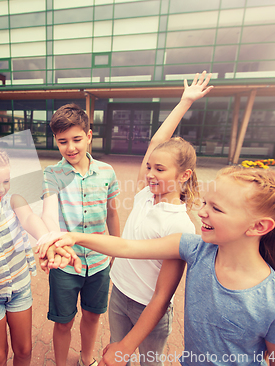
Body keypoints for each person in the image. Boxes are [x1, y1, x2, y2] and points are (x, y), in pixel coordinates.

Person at [40, 166, 275, 366]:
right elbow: (127, 247)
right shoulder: (196, 249)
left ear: (258, 226)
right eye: (205, 203)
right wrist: (72, 237)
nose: (202, 212)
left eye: (217, 209)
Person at [107, 72, 212, 366]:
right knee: (119, 357)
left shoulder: (180, 223)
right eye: (149, 167)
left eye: (160, 169)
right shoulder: (143, 193)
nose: (151, 174)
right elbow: (157, 140)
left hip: (148, 308)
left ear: (184, 175)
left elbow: (162, 297)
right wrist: (184, 102)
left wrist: (127, 346)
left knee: (149, 362)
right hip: (119, 293)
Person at [0, 145, 78, 366]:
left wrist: (48, 241)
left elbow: (31, 220)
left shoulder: (14, 202)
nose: (1, 188)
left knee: (24, 349)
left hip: (19, 289)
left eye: (6, 181)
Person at [41, 103, 121, 366]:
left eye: (77, 139)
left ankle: (87, 360)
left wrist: (116, 249)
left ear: (89, 136)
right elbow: (49, 213)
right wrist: (53, 241)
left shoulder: (107, 172)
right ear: (56, 141)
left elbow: (112, 214)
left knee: (93, 316)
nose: (70, 147)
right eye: (63, 141)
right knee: (63, 322)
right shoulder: (52, 174)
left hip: (99, 262)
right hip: (65, 264)